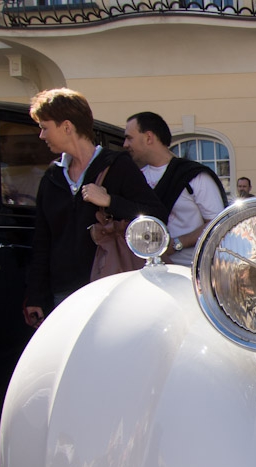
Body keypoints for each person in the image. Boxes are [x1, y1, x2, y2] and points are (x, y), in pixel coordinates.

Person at [24, 88, 166, 328]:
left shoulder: (118, 165)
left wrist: (111, 201)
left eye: (45, 127)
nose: (41, 135)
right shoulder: (51, 176)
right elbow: (42, 241)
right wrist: (36, 295)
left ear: (67, 126)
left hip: (110, 290)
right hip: (63, 295)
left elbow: (156, 215)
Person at [123, 112, 228, 267]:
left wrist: (177, 243)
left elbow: (217, 223)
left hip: (191, 270)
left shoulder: (194, 176)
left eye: (129, 138)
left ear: (148, 137)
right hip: (150, 269)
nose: (125, 144)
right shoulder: (136, 178)